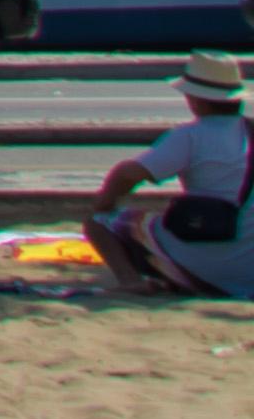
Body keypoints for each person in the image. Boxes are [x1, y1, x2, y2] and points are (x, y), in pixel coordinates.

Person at [81, 53, 247, 299]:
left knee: (99, 223)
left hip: (211, 261)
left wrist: (106, 201)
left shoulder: (191, 136)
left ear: (197, 100)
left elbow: (128, 173)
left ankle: (131, 281)